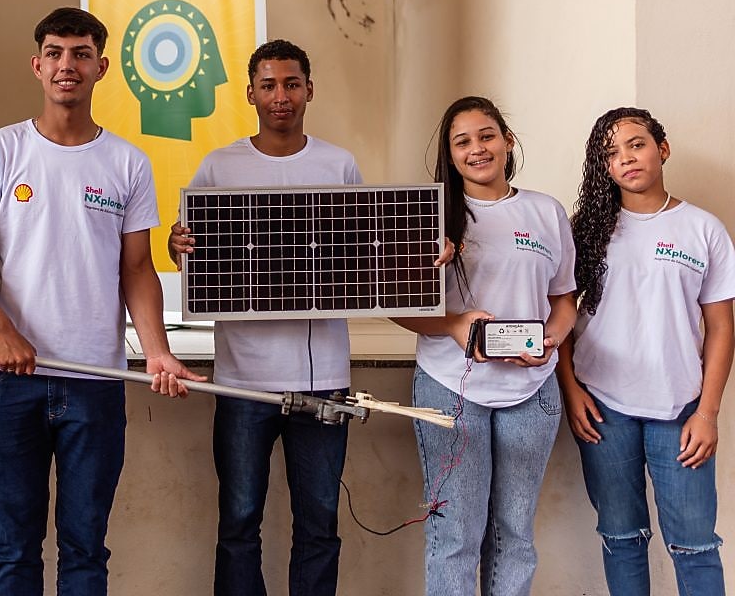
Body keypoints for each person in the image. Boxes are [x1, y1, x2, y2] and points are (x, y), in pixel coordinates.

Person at [0, 6, 202, 596]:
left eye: (81, 54)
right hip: (14, 381)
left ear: (101, 67)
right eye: (55, 53)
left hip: (95, 381)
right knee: (15, 550)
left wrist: (156, 352)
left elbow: (137, 269)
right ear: (37, 65)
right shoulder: (2, 150)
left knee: (85, 551)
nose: (67, 65)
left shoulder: (128, 162)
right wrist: (1, 331)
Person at [168, 39, 360, 596]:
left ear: (309, 91)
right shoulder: (218, 166)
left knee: (320, 525)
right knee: (238, 524)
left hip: (324, 378)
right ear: (251, 93)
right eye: (270, 85)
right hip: (243, 381)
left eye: (292, 84)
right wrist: (178, 246)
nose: (282, 96)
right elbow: (188, 250)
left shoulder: (338, 163)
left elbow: (361, 254)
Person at [390, 96, 576, 596]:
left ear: (508, 141)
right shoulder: (428, 216)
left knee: (514, 536)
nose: (477, 149)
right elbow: (397, 305)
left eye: (487, 136)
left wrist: (550, 339)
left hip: (532, 393)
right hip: (451, 389)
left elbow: (564, 300)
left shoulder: (546, 211)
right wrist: (453, 326)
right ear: (450, 156)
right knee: (455, 534)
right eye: (463, 142)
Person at [560, 107, 735, 595]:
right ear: (604, 167)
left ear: (663, 147)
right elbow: (561, 319)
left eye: (636, 144)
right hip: (603, 411)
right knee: (622, 539)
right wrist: (571, 390)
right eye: (611, 153)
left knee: (696, 546)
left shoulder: (703, 229)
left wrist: (708, 413)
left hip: (679, 410)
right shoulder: (586, 231)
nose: (626, 159)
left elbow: (722, 327)